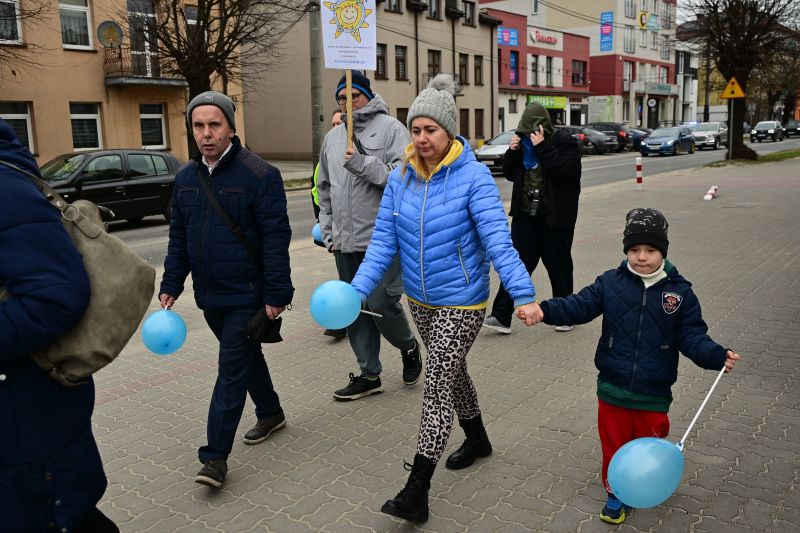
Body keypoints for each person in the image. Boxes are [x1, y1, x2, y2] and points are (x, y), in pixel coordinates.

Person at [350, 74, 540, 523]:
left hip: (463, 300)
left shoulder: (473, 178)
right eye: (415, 129)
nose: (421, 138)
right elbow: (383, 243)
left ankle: (417, 490)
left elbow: (498, 240)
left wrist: (523, 294)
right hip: (421, 300)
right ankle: (477, 438)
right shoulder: (401, 177)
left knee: (436, 384)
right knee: (452, 372)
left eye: (429, 130)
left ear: (448, 131)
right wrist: (355, 291)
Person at [524, 208, 741, 524]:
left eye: (650, 250)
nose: (642, 257)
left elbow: (693, 335)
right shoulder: (610, 283)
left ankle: (645, 482)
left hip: (654, 390)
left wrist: (716, 356)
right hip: (612, 386)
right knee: (614, 445)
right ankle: (617, 493)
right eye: (634, 250)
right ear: (626, 250)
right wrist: (544, 310)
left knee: (648, 444)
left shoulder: (679, 293)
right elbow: (578, 306)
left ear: (662, 251)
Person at [160, 91, 294, 489]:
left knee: (230, 372)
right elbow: (178, 237)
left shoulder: (259, 174)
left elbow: (275, 238)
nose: (206, 134)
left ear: (231, 128)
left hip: (247, 294)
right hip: (209, 296)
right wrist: (171, 283)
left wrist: (276, 293)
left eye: (214, 125)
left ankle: (215, 457)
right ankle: (271, 412)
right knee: (246, 357)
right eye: (198, 126)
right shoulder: (185, 177)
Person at [0, 119, 118, 531]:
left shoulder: (7, 191)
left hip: (29, 430)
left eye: (214, 124)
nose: (205, 133)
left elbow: (57, 296)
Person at [317, 70, 421, 400]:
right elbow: (325, 190)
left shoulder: (391, 129)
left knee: (380, 302)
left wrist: (362, 163)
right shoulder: (333, 137)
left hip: (382, 240)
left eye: (353, 96)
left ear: (367, 96)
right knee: (353, 310)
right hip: (345, 242)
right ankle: (369, 373)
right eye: (341, 99)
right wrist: (329, 231)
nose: (347, 103)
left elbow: (406, 178)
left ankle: (408, 346)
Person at [483, 102, 581, 335]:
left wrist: (543, 147)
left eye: (531, 132)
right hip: (525, 217)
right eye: (524, 132)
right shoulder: (523, 145)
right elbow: (509, 174)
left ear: (543, 128)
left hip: (555, 218)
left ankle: (565, 314)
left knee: (559, 267)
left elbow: (567, 172)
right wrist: (513, 152)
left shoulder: (565, 142)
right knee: (515, 266)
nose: (527, 136)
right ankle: (501, 316)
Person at [312, 110, 346, 339]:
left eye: (339, 122)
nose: (335, 127)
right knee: (345, 280)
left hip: (365, 234)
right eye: (332, 123)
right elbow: (318, 190)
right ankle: (342, 321)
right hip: (336, 230)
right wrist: (325, 224)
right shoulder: (328, 151)